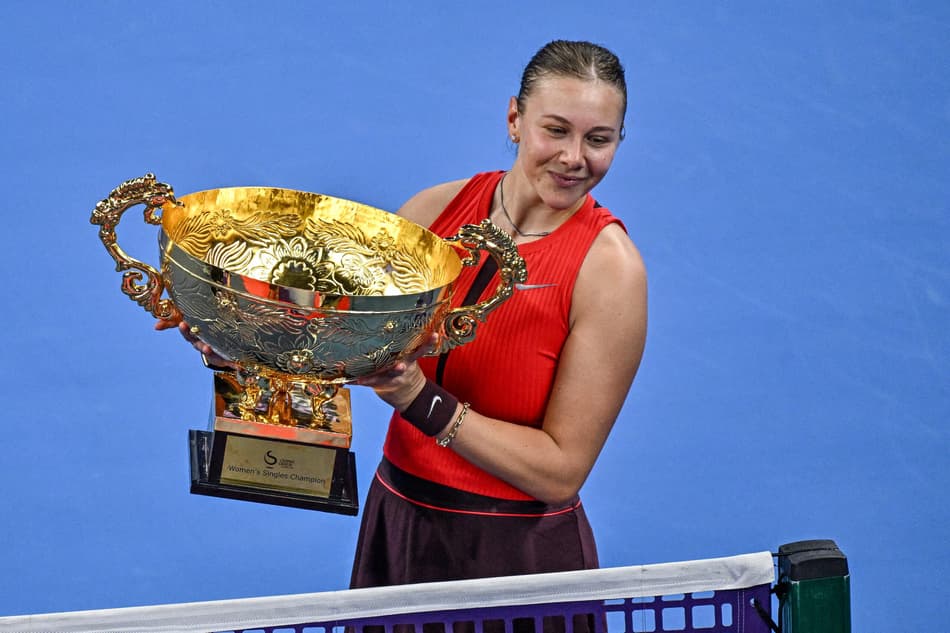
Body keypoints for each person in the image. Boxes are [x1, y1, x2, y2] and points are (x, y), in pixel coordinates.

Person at [162, 39, 647, 591]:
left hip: (521, 560)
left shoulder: (611, 271)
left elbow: (560, 473)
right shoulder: (431, 216)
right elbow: (337, 354)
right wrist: (244, 343)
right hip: (400, 526)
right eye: (555, 130)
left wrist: (418, 399)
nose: (574, 157)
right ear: (515, 119)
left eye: (598, 139)